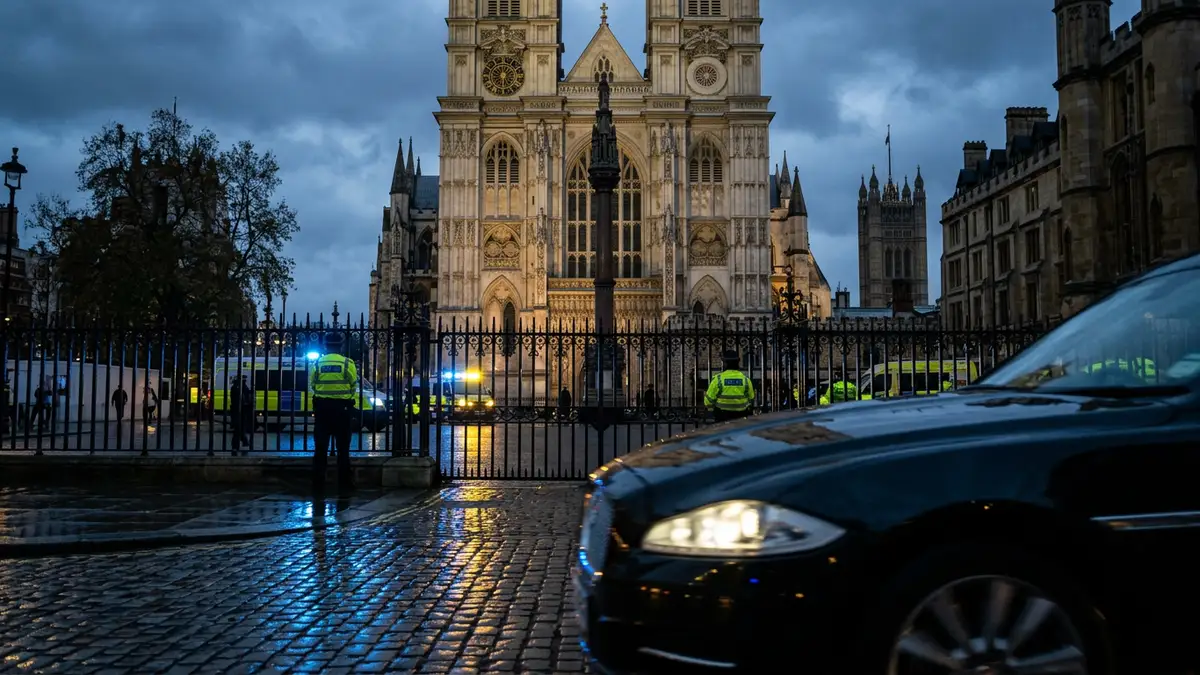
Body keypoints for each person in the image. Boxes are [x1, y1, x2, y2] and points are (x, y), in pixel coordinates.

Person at [308, 331, 359, 492]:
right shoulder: (347, 363)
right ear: (341, 346)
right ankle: (344, 483)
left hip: (322, 409)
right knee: (343, 449)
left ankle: (318, 483)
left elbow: (312, 385)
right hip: (342, 410)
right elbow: (354, 386)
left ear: (326, 346)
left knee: (320, 449)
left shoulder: (317, 364)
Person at [704, 350, 756, 423]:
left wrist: (712, 409)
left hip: (721, 417)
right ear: (738, 363)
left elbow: (708, 401)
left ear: (724, 363)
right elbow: (751, 399)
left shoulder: (718, 379)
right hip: (741, 417)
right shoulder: (746, 380)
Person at [228, 374, 252, 453]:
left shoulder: (238, 387)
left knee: (239, 428)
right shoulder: (240, 387)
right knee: (239, 428)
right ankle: (239, 444)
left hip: (239, 411)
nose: (245, 381)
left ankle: (240, 444)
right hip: (239, 411)